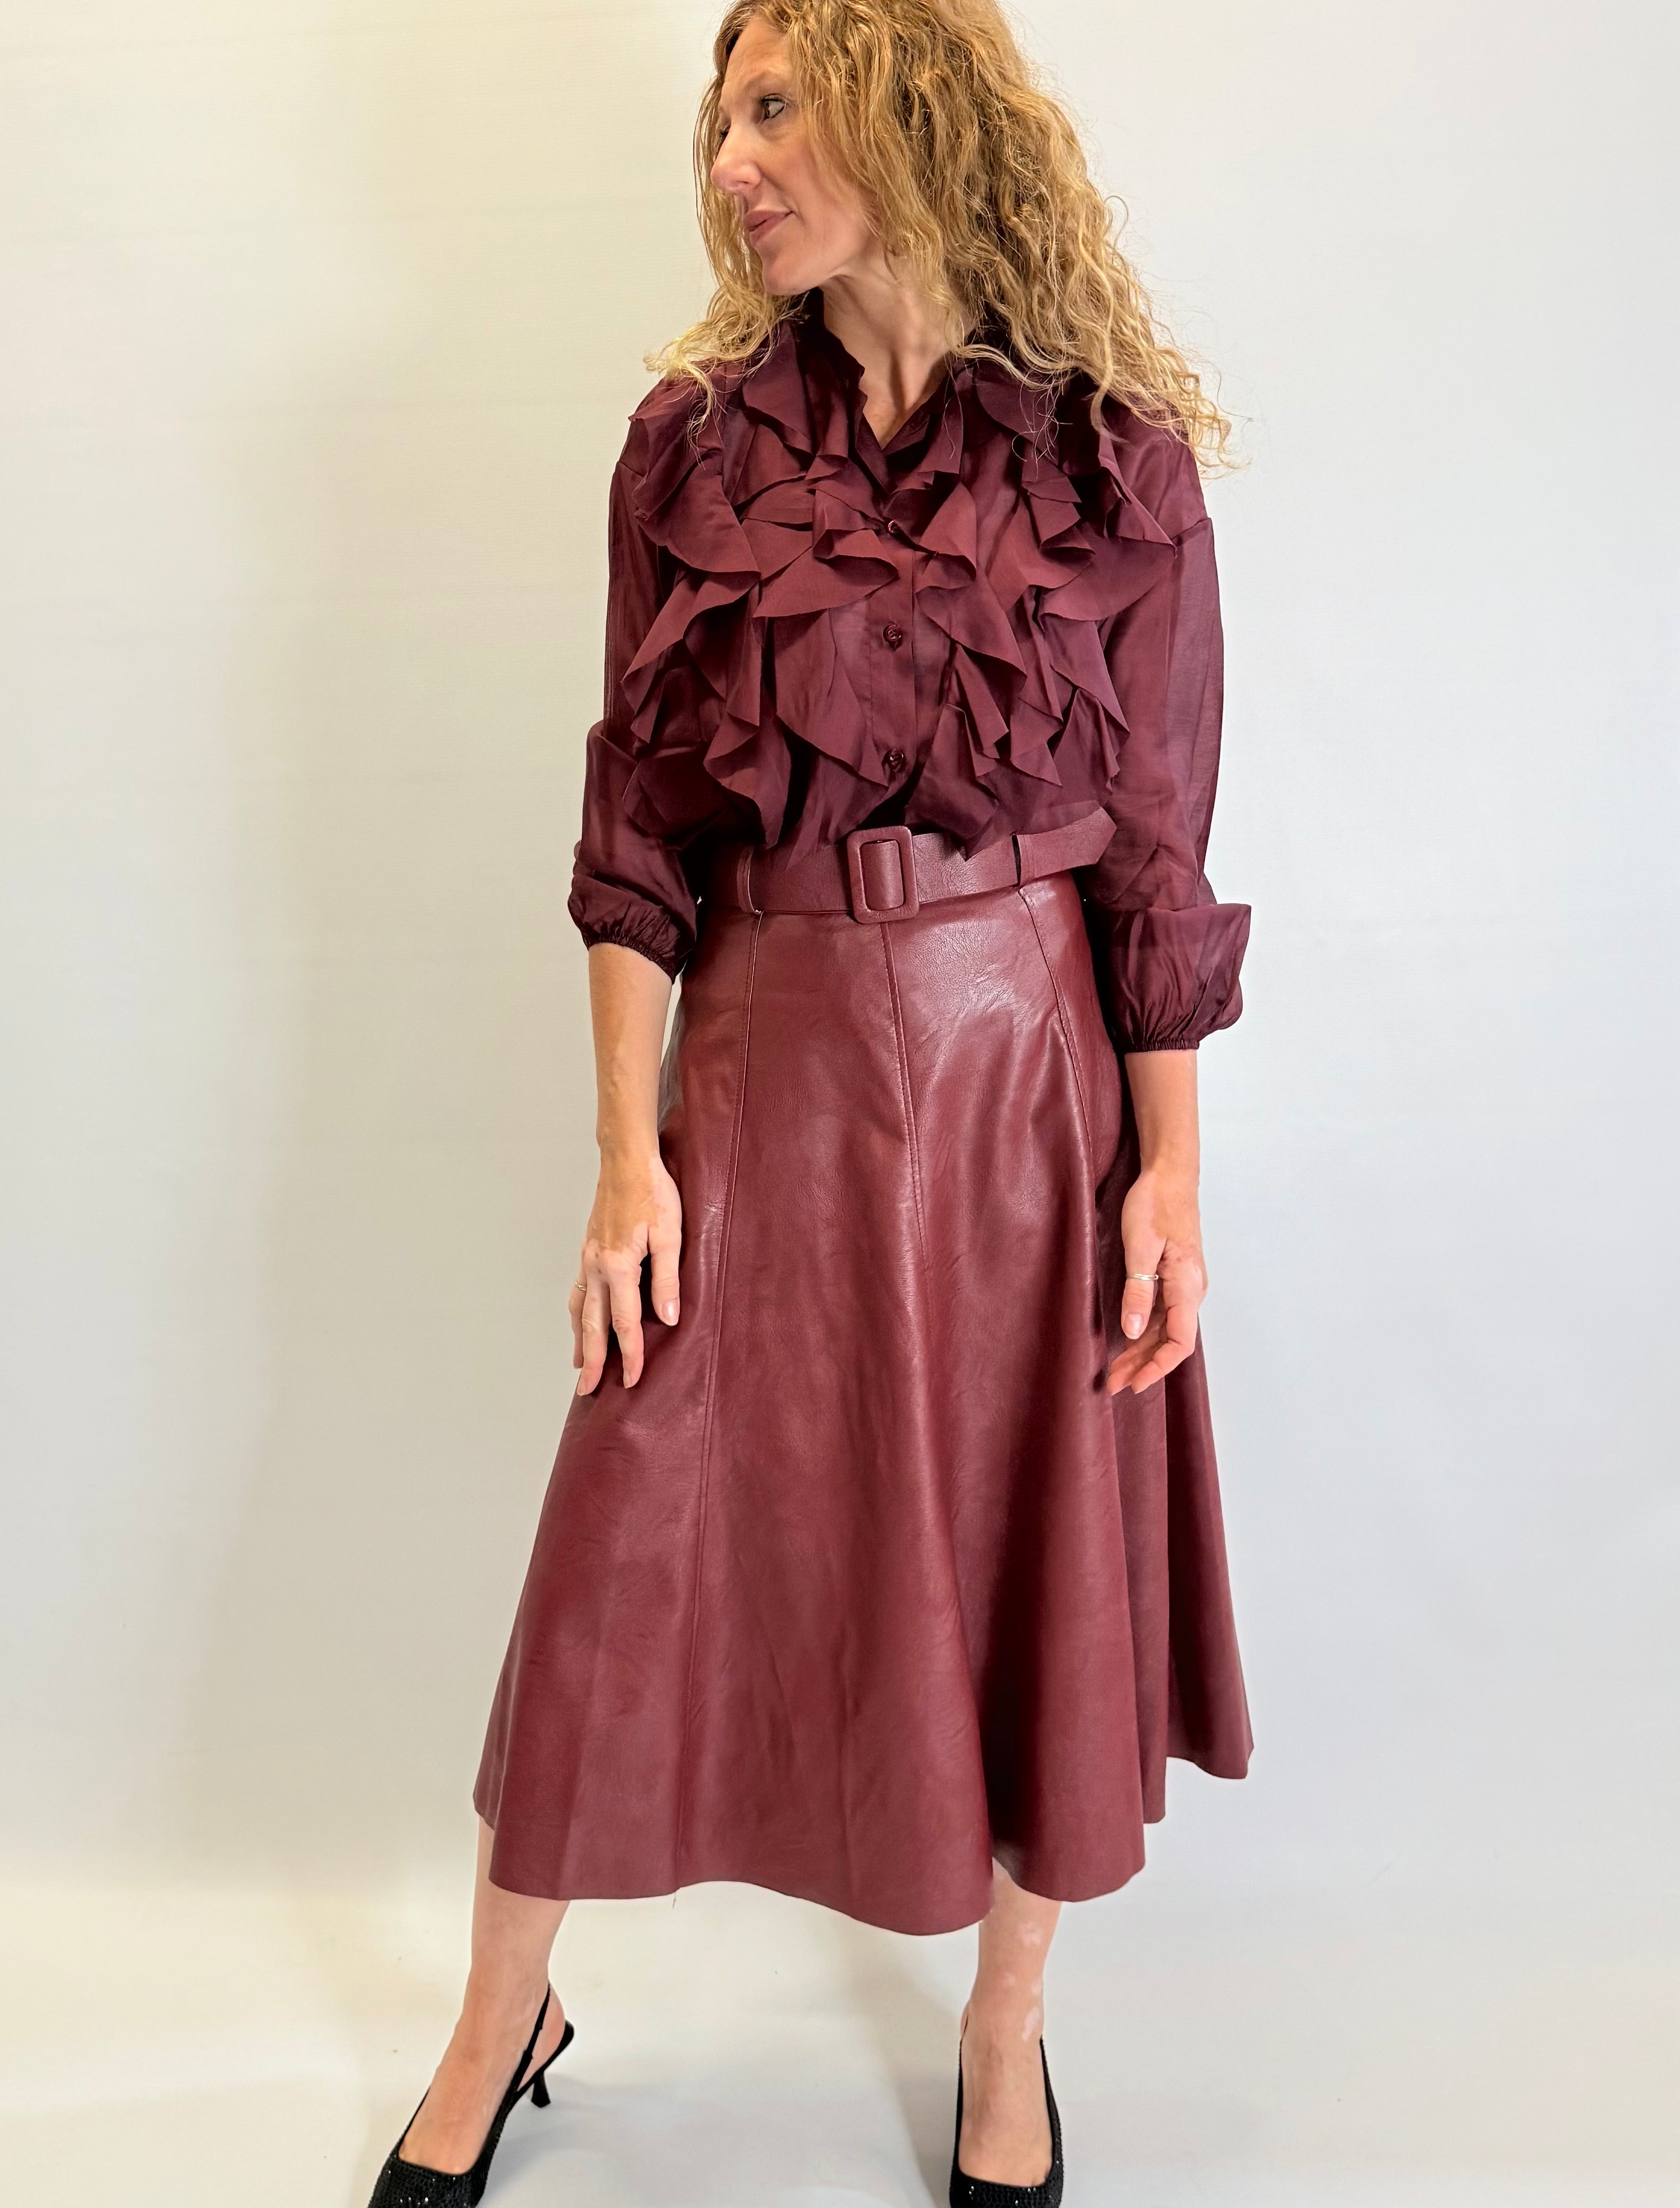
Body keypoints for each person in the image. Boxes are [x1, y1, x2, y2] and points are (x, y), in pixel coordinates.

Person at [368, 2, 1253, 2202]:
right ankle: (503, 2010)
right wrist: (618, 1157)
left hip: (1018, 1090)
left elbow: (1154, 839)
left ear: (908, 116)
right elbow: (631, 840)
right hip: (761, 1063)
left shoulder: (1104, 458)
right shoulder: (685, 453)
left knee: (1037, 1540)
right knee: (618, 1536)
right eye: (723, 112)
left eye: (776, 106)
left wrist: (1166, 1167)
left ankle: (1007, 2032)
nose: (732, 154)